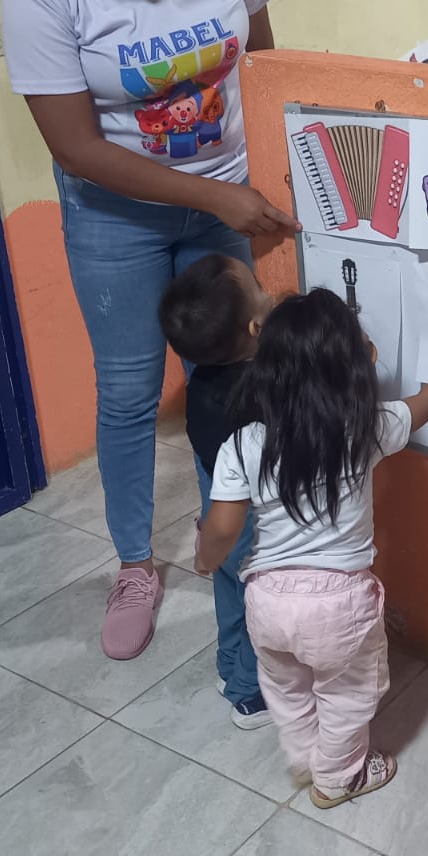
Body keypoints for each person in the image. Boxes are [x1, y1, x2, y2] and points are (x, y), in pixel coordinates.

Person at [0, 0, 298, 671]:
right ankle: (134, 565)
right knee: (130, 393)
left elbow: (265, 61)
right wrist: (217, 200)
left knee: (231, 378)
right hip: (116, 216)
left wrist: (263, 178)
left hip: (226, 195)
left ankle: (230, 530)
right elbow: (76, 146)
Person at [194, 290, 428, 808]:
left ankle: (305, 756)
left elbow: (220, 529)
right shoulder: (364, 427)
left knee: (288, 688)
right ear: (352, 366)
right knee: (347, 695)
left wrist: (204, 559)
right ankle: (337, 777)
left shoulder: (242, 443)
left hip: (266, 602)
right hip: (338, 607)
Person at [158, 254, 273, 727]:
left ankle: (228, 667)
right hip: (249, 521)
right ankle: (249, 694)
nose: (269, 292)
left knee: (229, 590)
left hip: (216, 511)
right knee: (262, 604)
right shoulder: (260, 390)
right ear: (254, 327)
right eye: (261, 288)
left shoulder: (202, 381)